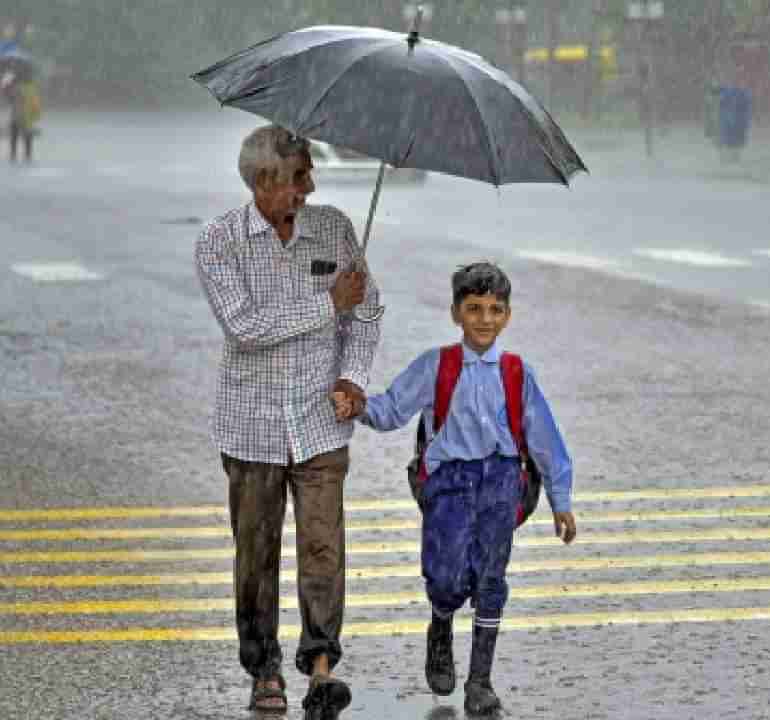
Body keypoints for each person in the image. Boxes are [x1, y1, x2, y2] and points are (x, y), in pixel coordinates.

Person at [332, 261, 576, 716]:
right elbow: (392, 408)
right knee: (445, 578)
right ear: (455, 313)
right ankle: (440, 622)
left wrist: (561, 500)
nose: (485, 318)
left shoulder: (517, 373)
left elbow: (544, 438)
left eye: (495, 309)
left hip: (502, 483)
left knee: (490, 579)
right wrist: (358, 406)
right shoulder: (436, 365)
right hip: (447, 485)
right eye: (474, 308)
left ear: (507, 316)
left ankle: (480, 681)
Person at [194, 124, 380, 718]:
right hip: (251, 429)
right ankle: (264, 667)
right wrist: (327, 303)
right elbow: (246, 328)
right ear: (264, 180)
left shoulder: (335, 228)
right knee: (256, 553)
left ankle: (321, 667)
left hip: (321, 423)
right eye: (300, 175)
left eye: (308, 173)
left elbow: (367, 315)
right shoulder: (219, 241)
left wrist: (353, 377)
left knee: (324, 547)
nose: (311, 185)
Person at [3, 70, 38, 163]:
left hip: (18, 116)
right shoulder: (29, 88)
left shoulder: (15, 89)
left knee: (15, 136)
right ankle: (27, 155)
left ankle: (14, 155)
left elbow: (9, 99)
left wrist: (5, 87)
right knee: (26, 136)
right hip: (25, 116)